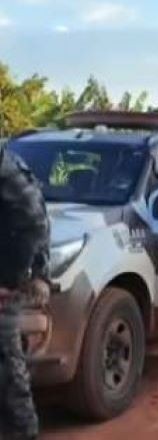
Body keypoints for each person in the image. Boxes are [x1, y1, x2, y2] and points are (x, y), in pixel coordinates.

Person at [0, 145, 50, 440]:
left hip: (4, 291)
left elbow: (34, 222)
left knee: (9, 379)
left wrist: (12, 278)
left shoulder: (7, 170)